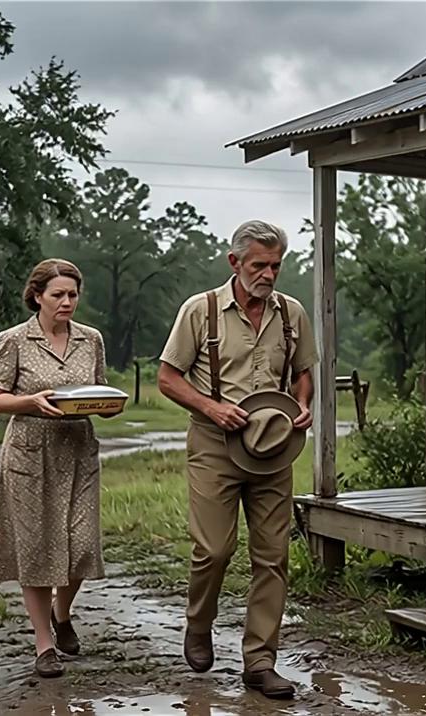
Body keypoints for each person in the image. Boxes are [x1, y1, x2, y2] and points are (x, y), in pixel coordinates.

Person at [157, 220, 317, 699]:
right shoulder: (200, 311)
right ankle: (199, 623)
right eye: (258, 265)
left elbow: (303, 372)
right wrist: (210, 406)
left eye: (275, 265)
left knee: (273, 557)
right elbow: (167, 377)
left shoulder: (291, 313)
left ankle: (260, 661)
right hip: (214, 446)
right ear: (235, 263)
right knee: (214, 550)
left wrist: (303, 403)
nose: (268, 274)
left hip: (273, 450)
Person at [0, 258, 113, 678]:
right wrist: (30, 402)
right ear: (37, 295)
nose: (67, 302)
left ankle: (63, 612)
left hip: (78, 450)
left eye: (73, 294)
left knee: (81, 546)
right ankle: (44, 645)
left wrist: (107, 407)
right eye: (57, 294)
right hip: (29, 452)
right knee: (37, 548)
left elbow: (98, 389)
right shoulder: (14, 340)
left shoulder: (90, 340)